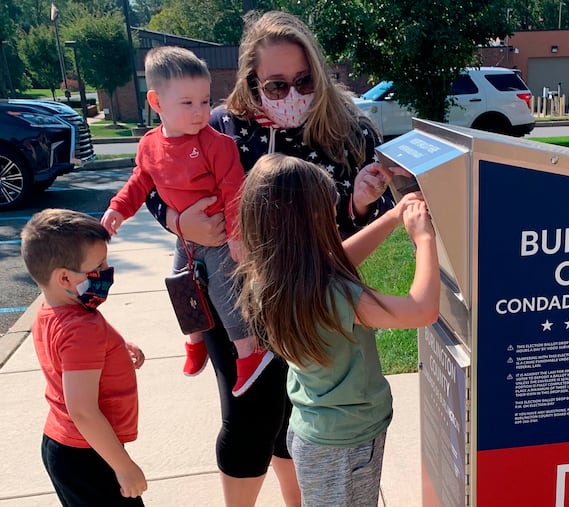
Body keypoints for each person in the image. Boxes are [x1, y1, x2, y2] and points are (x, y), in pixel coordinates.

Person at [143, 11, 396, 506]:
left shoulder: (350, 132)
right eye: (275, 85)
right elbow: (153, 180)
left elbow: (371, 222)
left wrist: (361, 204)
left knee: (295, 411)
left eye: (303, 80)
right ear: (251, 82)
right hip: (231, 294)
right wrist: (177, 222)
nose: (292, 94)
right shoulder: (218, 129)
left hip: (311, 300)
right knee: (250, 413)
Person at [236, 153, 440, 506]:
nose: (334, 211)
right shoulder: (335, 296)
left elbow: (339, 259)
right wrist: (424, 239)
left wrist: (393, 217)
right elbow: (421, 310)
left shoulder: (273, 276)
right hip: (347, 445)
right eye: (327, 208)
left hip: (317, 432)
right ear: (309, 221)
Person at [101, 45, 273, 398]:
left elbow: (234, 191)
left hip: (222, 240)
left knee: (226, 298)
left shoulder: (217, 145)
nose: (200, 112)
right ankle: (194, 343)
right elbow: (140, 181)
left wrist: (238, 237)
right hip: (186, 240)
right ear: (156, 102)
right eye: (187, 103)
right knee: (180, 287)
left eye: (205, 101)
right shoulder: (149, 145)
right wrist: (119, 208)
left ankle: (249, 352)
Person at [20, 209, 147, 506]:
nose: (107, 270)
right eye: (99, 265)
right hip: (89, 457)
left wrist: (114, 347)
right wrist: (124, 466)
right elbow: (83, 411)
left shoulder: (52, 312)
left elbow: (66, 353)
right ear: (64, 277)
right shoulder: (82, 329)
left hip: (67, 447)